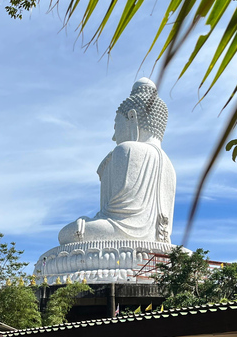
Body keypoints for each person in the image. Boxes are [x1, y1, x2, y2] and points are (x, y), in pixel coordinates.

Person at [58, 78, 176, 245]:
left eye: (116, 126)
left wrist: (85, 222)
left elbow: (115, 218)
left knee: (67, 234)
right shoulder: (169, 165)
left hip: (123, 234)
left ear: (132, 118)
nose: (114, 137)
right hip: (158, 243)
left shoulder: (126, 149)